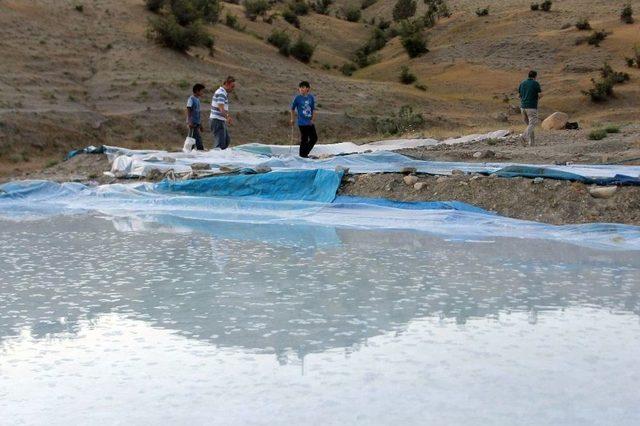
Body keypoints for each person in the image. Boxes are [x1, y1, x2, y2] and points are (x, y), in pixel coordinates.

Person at [290, 81, 318, 158]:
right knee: (304, 139)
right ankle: (302, 155)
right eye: (300, 88)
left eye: (303, 87)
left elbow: (313, 109)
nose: (301, 89)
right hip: (302, 122)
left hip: (310, 122)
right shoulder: (297, 98)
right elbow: (292, 109)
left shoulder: (311, 97)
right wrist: (292, 119)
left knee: (314, 138)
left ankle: (304, 154)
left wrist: (312, 120)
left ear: (307, 89)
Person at [210, 76, 236, 150]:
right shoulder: (221, 93)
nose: (233, 89)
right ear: (227, 84)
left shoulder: (223, 93)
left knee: (226, 141)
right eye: (232, 86)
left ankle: (220, 157)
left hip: (220, 120)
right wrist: (227, 117)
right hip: (217, 120)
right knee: (220, 144)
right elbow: (221, 108)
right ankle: (215, 158)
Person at [518, 70, 543, 146]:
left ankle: (531, 143)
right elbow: (540, 94)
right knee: (533, 123)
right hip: (531, 107)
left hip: (523, 107)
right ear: (535, 76)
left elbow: (519, 96)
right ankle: (523, 137)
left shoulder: (522, 83)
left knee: (529, 125)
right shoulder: (535, 83)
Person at [186, 83, 205, 150]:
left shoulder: (197, 100)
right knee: (193, 139)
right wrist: (189, 121)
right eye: (202, 91)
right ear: (197, 91)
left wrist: (200, 124)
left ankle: (193, 151)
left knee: (194, 139)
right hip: (192, 123)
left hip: (196, 123)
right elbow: (188, 109)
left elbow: (198, 113)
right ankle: (198, 150)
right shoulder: (191, 99)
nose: (203, 93)